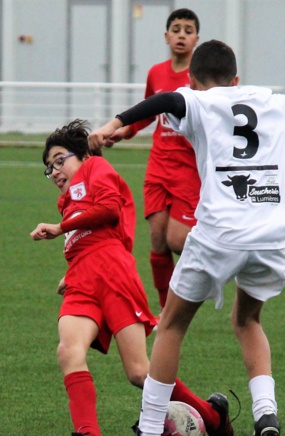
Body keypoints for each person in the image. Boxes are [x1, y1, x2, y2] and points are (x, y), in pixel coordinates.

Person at [88, 40, 285, 436]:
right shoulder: (274, 102)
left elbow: (164, 100)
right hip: (274, 235)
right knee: (248, 320)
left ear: (192, 81)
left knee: (172, 325)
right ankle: (266, 414)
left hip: (221, 232)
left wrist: (113, 123)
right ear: (236, 78)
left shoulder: (198, 101)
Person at [30, 119, 234, 436]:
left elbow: (109, 210)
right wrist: (72, 271)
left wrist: (60, 227)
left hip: (113, 277)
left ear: (81, 155)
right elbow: (87, 239)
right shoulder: (67, 200)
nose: (54, 171)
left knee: (140, 372)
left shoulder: (96, 168)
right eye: (48, 167)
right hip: (83, 280)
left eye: (59, 159)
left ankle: (212, 416)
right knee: (68, 351)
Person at [106, 9, 200, 310]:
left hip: (190, 170)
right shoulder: (156, 73)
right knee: (158, 242)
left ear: (197, 38)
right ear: (166, 36)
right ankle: (165, 310)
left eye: (188, 30)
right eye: (176, 29)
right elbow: (148, 111)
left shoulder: (201, 77)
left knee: (176, 241)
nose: (181, 34)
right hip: (158, 168)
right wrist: (126, 131)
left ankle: (214, 266)